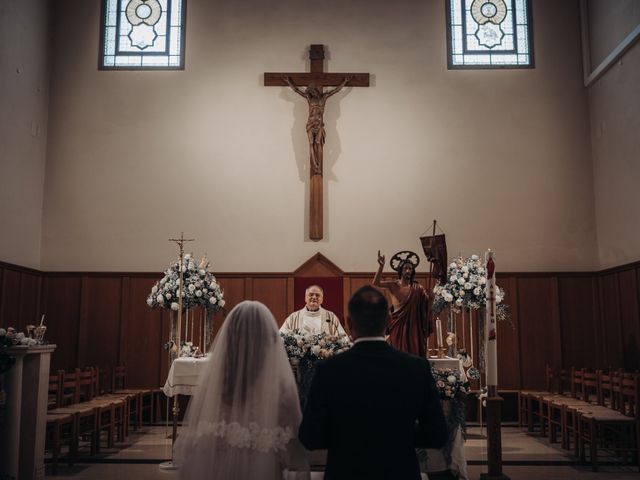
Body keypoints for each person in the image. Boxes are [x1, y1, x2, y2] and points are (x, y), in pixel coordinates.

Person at [299, 286, 447, 479]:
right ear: (388, 322)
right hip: (399, 471)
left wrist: (343, 437)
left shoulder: (328, 370)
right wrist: (399, 435)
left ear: (349, 323)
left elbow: (309, 437)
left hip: (345, 471)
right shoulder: (416, 368)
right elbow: (437, 434)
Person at [174, 301, 309, 480]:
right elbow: (294, 448)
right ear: (269, 339)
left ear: (228, 337)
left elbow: (196, 447)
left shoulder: (213, 382)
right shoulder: (281, 387)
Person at [282, 76, 351, 175]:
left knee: (320, 143)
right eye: (311, 92)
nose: (312, 93)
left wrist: (344, 82)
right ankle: (315, 166)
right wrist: (289, 82)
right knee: (311, 143)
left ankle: (320, 166)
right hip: (310, 123)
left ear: (317, 90)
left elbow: (336, 91)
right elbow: (297, 91)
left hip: (319, 124)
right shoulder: (309, 98)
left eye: (313, 91)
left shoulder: (324, 97)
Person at [373, 250, 432, 357]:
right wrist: (381, 266)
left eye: (410, 268)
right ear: (401, 270)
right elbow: (376, 283)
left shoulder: (418, 288)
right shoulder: (393, 285)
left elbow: (426, 306)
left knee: (413, 353)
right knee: (398, 353)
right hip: (397, 325)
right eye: (405, 268)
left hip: (413, 327)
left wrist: (431, 297)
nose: (408, 271)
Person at [280, 285, 347, 336]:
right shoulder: (293, 317)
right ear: (305, 298)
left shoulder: (331, 317)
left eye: (317, 295)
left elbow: (342, 337)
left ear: (322, 299)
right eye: (311, 294)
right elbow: (281, 335)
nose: (314, 297)